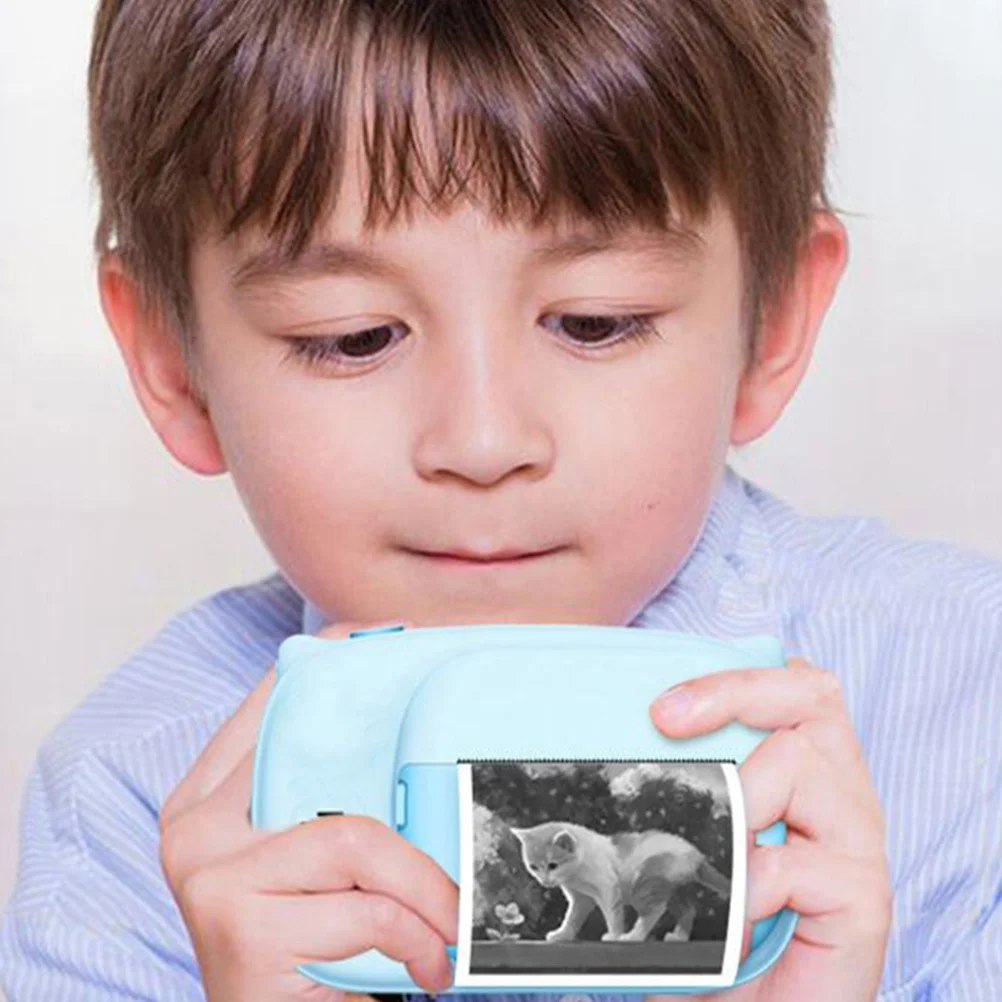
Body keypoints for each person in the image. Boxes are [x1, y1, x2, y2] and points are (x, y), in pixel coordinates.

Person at [2, 0, 1000, 999]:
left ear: (773, 319)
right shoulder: (129, 802)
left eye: (596, 322)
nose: (483, 442)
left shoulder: (968, 713)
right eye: (352, 337)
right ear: (175, 367)